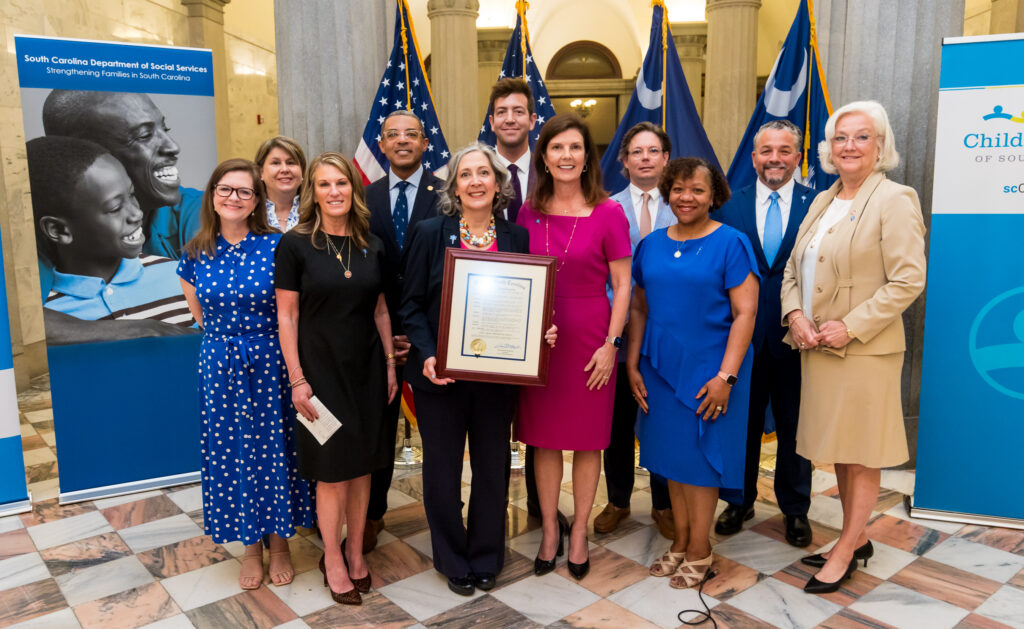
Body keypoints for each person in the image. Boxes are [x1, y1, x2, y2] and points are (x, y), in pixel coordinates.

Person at [781, 101, 926, 594]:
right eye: (841, 137)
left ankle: (846, 549)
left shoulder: (895, 198)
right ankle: (855, 535)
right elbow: (792, 269)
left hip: (863, 351)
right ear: (828, 147)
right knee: (842, 449)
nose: (849, 146)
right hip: (818, 348)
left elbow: (909, 280)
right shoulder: (824, 200)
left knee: (861, 453)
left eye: (862, 137)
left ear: (880, 146)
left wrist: (852, 325)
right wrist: (794, 314)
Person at [400, 143, 557, 596]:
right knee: (443, 474)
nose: (475, 181)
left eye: (483, 173)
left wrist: (538, 333)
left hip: (495, 382)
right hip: (439, 377)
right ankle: (452, 558)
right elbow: (410, 305)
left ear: (497, 182)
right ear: (454, 186)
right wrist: (428, 355)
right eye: (465, 174)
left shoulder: (516, 238)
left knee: (492, 468)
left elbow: (523, 302)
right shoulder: (431, 232)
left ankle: (487, 556)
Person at [176, 158, 313, 590]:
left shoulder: (277, 246)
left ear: (257, 200)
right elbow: (200, 316)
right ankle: (250, 550)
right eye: (225, 189)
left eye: (244, 191)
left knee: (276, 451)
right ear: (212, 196)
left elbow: (292, 311)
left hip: (270, 361)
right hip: (220, 366)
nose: (234, 198)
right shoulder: (194, 253)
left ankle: (279, 547)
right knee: (232, 453)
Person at [628, 157, 759, 589]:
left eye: (698, 190)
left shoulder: (732, 242)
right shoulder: (650, 244)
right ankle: (681, 543)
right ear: (667, 191)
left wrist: (727, 377)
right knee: (672, 461)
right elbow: (640, 307)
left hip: (712, 370)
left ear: (714, 194)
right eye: (679, 189)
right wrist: (631, 362)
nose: (687, 197)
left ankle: (701, 550)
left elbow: (745, 314)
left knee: (701, 464)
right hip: (660, 367)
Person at [276, 152, 398, 605]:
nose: (334, 192)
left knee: (362, 466)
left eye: (341, 184)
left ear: (353, 189)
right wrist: (296, 380)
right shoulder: (295, 245)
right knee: (331, 474)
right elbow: (286, 317)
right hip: (319, 376)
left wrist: (389, 363)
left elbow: (381, 308)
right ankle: (331, 557)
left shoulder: (372, 243)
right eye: (324, 184)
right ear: (313, 192)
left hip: (367, 371)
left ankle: (355, 550)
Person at [516, 113, 632, 581]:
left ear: (588, 157)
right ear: (543, 156)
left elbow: (623, 285)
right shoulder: (528, 211)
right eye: (557, 147)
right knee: (542, 440)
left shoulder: (608, 212)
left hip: (590, 339)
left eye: (575, 148)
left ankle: (579, 530)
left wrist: (611, 345)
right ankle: (549, 529)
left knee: (587, 442)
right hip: (539, 340)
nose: (567, 156)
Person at [715, 120, 818, 547]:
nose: (774, 158)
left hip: (799, 338)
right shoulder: (727, 207)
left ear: (798, 157)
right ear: (753, 157)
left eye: (784, 150)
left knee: (797, 426)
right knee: (741, 422)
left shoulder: (820, 206)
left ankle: (795, 508)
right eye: (766, 151)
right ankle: (739, 500)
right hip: (741, 339)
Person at [39, 90, 204, 343]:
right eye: (144, 136)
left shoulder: (197, 221)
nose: (173, 146)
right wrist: (143, 331)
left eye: (165, 128)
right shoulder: (32, 252)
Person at [364, 110, 444, 553]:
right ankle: (373, 514)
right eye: (392, 135)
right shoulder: (363, 196)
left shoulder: (447, 194)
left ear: (425, 142)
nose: (402, 141)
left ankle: (443, 518)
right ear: (381, 143)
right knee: (378, 429)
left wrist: (418, 331)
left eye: (411, 134)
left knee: (439, 435)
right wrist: (386, 330)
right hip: (374, 334)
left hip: (429, 336)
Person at [485, 77, 559, 525]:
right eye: (502, 112)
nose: (510, 119)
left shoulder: (552, 170)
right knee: (491, 418)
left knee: (537, 413)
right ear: (491, 120)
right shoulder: (474, 169)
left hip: (543, 307)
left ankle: (541, 506)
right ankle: (486, 509)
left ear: (533, 120)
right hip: (486, 312)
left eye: (519, 111)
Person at [597, 122, 676, 538]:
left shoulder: (683, 205)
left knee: (661, 416)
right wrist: (619, 317)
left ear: (666, 159)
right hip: (620, 329)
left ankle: (663, 503)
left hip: (668, 333)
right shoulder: (608, 208)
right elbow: (606, 274)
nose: (645, 157)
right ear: (624, 162)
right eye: (636, 152)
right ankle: (618, 500)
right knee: (618, 421)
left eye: (653, 151)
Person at [28, 136, 195, 329]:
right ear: (59, 230)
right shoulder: (45, 315)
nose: (137, 213)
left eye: (132, 195)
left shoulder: (181, 279)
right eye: (115, 208)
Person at [255, 136, 307, 232]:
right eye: (275, 163)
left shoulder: (316, 213)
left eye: (291, 163)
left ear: (302, 171)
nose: (284, 169)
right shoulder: (249, 214)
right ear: (261, 172)